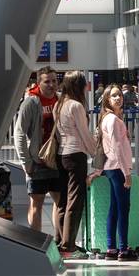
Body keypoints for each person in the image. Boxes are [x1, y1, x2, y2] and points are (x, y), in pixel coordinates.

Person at [49, 72, 101, 256]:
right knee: (75, 201)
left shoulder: (58, 104)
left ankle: (61, 240)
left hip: (61, 155)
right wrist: (96, 152)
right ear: (78, 86)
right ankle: (68, 245)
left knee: (63, 200)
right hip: (75, 155)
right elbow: (84, 134)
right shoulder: (76, 106)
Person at [14, 68, 62, 232]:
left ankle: (60, 240)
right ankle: (35, 242)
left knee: (60, 200)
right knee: (37, 202)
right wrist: (26, 162)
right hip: (37, 161)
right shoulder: (31, 102)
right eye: (47, 81)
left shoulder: (60, 99)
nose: (51, 85)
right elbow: (19, 133)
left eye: (54, 81)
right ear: (38, 83)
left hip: (56, 160)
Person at [97, 85, 133, 260]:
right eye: (113, 96)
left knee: (115, 207)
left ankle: (112, 247)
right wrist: (127, 173)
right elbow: (117, 147)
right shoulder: (112, 120)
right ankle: (122, 248)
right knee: (123, 208)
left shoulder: (108, 118)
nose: (118, 98)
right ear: (107, 100)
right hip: (118, 168)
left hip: (111, 168)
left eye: (119, 95)